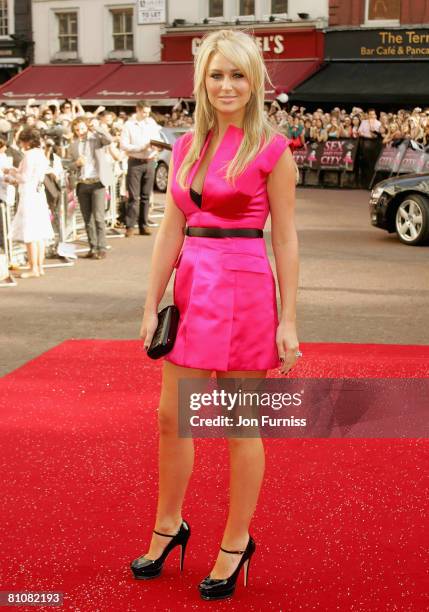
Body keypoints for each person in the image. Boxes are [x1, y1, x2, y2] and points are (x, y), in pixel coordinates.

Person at [132, 29, 300, 601]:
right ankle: (168, 526)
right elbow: (170, 228)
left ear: (254, 81)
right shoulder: (185, 146)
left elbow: (287, 241)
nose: (226, 85)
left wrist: (289, 319)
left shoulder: (273, 150)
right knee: (169, 419)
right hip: (192, 286)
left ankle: (235, 541)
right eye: (216, 74)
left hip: (246, 288)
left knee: (237, 426)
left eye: (237, 74)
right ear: (202, 81)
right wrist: (151, 300)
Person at [6, 127, 54, 278]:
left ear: (26, 142)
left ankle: (34, 267)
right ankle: (39, 266)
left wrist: (11, 172)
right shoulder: (40, 155)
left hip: (30, 196)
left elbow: (24, 178)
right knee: (39, 234)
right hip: (38, 194)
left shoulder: (29, 156)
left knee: (31, 233)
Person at [67, 117, 113, 259]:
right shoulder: (73, 145)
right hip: (82, 183)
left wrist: (96, 128)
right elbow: (68, 165)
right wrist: (76, 163)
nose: (80, 132)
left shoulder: (96, 139)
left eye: (82, 128)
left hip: (97, 182)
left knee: (99, 217)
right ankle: (93, 247)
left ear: (86, 127)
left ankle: (102, 247)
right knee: (87, 218)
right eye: (77, 130)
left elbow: (109, 139)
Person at [120, 100, 162, 236]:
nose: (146, 115)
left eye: (148, 112)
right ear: (137, 110)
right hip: (135, 162)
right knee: (133, 196)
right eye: (144, 112)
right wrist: (141, 147)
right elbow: (124, 145)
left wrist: (157, 148)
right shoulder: (129, 125)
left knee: (146, 195)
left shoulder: (151, 123)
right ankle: (130, 226)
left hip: (149, 161)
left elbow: (158, 139)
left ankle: (143, 225)